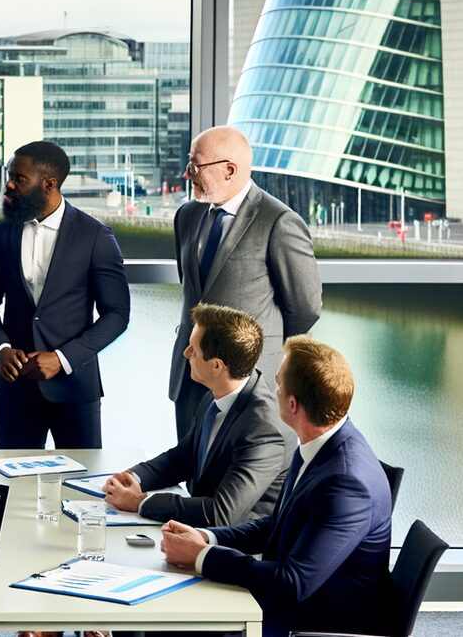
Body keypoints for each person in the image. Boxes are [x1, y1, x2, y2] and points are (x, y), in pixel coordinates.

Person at [161, 336, 392, 637]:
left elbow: (292, 583)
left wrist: (203, 556)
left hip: (312, 620)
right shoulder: (318, 444)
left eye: (279, 384)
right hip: (292, 600)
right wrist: (207, 538)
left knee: (173, 622)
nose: (274, 391)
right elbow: (278, 525)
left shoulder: (347, 483)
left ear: (293, 405)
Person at [0, 141, 130, 448]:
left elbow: (117, 315)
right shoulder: (0, 232)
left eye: (19, 178)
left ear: (49, 184)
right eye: (10, 175)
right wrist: (1, 349)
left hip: (75, 387)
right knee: (15, 486)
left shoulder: (95, 236)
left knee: (80, 485)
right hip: (14, 385)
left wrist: (62, 359)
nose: (10, 184)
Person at [170, 125, 321, 440]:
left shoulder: (279, 221)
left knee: (243, 480)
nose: (187, 174)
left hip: (248, 382)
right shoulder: (186, 216)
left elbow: (304, 309)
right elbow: (194, 292)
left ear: (229, 170)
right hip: (191, 377)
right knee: (192, 475)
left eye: (195, 166)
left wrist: (258, 355)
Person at [103, 304, 286, 527]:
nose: (185, 353)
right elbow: (183, 458)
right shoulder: (215, 395)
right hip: (197, 531)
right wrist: (134, 477)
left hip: (237, 547)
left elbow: (221, 513)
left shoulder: (263, 428)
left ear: (217, 366)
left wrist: (139, 502)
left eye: (193, 349)